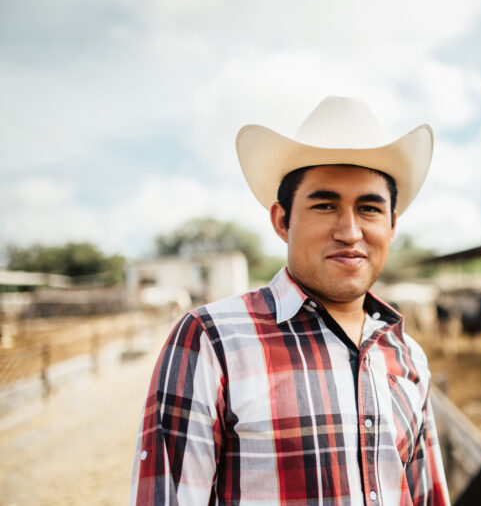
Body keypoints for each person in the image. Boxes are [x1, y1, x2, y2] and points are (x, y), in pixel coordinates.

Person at [131, 96, 450, 505]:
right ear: (282, 220)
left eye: (369, 208)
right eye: (325, 205)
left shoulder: (408, 356)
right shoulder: (211, 342)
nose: (350, 231)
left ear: (391, 226)